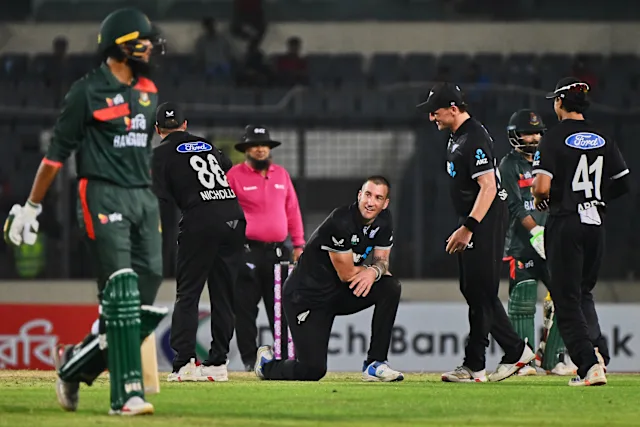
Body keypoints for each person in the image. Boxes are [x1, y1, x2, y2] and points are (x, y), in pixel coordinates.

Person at [3, 8, 167, 415]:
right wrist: (31, 206)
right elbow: (55, 157)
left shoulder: (148, 89)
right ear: (118, 46)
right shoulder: (86, 91)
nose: (149, 47)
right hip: (102, 194)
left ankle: (73, 366)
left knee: (145, 293)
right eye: (141, 41)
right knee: (121, 288)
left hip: (142, 197)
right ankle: (126, 396)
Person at [417, 82, 534, 383]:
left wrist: (469, 227)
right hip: (473, 217)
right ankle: (514, 350)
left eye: (435, 111)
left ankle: (476, 364)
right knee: (473, 289)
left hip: (484, 219)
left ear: (453, 108)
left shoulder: (474, 137)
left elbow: (489, 187)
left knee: (481, 291)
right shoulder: (459, 136)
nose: (431, 117)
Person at [254, 176, 404, 382]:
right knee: (312, 370)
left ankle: (375, 363)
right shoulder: (341, 221)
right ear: (359, 195)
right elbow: (347, 274)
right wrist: (371, 269)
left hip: (338, 293)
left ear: (385, 203)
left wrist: (373, 272)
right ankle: (266, 366)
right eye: (368, 195)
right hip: (306, 297)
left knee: (390, 287)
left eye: (378, 198)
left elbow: (382, 262)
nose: (371, 202)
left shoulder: (384, 220)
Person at [532, 77, 631, 386]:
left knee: (566, 299)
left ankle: (588, 365)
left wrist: (545, 199)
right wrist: (596, 198)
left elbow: (541, 187)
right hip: (595, 223)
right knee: (583, 292)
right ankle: (598, 351)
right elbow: (623, 182)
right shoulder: (603, 136)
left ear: (560, 102)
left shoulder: (553, 137)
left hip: (566, 221)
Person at [151, 103, 246, 382]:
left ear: (157, 130)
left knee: (188, 294)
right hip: (233, 217)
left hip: (201, 220)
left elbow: (159, 196)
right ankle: (218, 363)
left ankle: (184, 363)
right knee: (224, 294)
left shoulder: (159, 155)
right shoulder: (204, 144)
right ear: (185, 124)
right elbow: (226, 165)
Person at [499, 109, 575, 376]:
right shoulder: (508, 166)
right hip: (522, 245)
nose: (532, 138)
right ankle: (525, 363)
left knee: (567, 300)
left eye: (536, 133)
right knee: (522, 302)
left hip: (553, 242)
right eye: (526, 133)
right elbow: (515, 206)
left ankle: (554, 360)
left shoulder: (551, 160)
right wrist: (535, 233)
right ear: (515, 136)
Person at [227, 125, 305, 371]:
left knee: (281, 306)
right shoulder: (234, 176)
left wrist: (299, 244)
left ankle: (283, 356)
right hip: (246, 251)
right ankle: (250, 361)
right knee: (245, 309)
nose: (260, 149)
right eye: (254, 145)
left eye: (264, 145)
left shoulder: (281, 175)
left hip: (277, 252)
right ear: (246, 149)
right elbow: (225, 212)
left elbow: (292, 210)